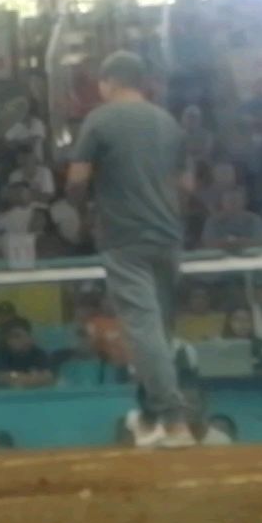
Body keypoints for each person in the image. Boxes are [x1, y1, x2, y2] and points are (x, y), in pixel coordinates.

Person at [68, 51, 194, 448]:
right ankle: (151, 416)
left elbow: (77, 178)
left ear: (108, 82)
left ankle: (174, 420)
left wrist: (82, 210)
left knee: (143, 329)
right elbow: (186, 186)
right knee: (159, 331)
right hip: (167, 236)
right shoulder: (168, 122)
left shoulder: (100, 120)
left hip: (124, 236)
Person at [0, 320, 55, 389]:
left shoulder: (37, 353)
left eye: (27, 335)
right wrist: (33, 379)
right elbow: (0, 378)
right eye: (17, 336)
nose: (24, 340)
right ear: (5, 340)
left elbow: (48, 377)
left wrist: (19, 378)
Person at [201, 186, 262, 252]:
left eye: (236, 200)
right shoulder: (213, 221)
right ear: (222, 202)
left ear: (244, 202)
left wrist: (237, 241)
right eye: (229, 200)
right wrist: (229, 242)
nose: (232, 203)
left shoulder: (254, 220)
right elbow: (208, 244)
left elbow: (258, 242)